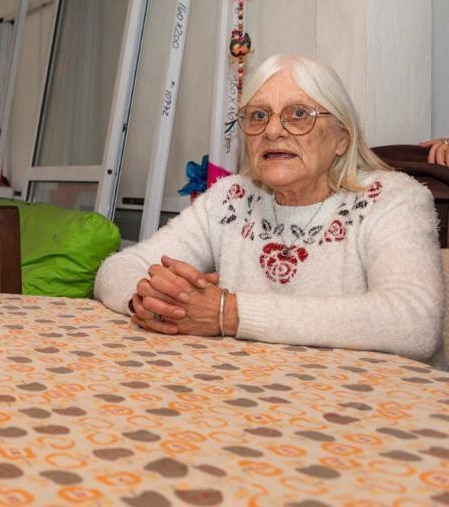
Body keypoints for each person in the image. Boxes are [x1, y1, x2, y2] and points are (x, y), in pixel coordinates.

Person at [95, 54, 444, 364]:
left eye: (299, 114)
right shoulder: (231, 197)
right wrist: (152, 298)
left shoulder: (393, 198)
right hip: (244, 394)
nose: (274, 130)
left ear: (342, 138)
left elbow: (414, 321)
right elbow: (118, 268)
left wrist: (229, 313)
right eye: (259, 116)